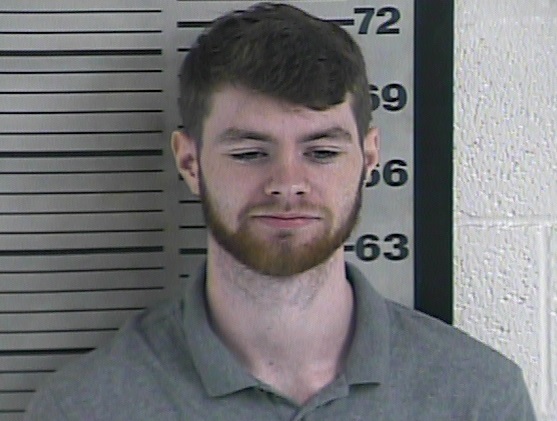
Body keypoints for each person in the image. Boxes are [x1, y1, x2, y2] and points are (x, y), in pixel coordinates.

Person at [25, 3, 536, 420]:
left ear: (369, 159)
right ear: (190, 162)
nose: (288, 183)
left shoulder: (479, 400)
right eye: (250, 153)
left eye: (322, 152)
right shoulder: (82, 408)